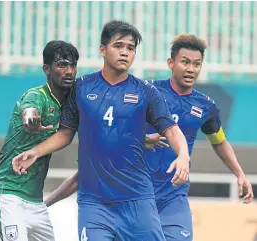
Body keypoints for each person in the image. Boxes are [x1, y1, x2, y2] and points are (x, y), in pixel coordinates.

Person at [12, 20, 190, 241]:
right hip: (94, 204)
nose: (125, 52)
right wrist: (36, 151)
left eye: (131, 48)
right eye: (119, 46)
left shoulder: (146, 92)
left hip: (138, 200)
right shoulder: (81, 88)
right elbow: (65, 134)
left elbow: (172, 131)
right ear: (102, 50)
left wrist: (183, 155)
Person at [144, 34, 254, 241]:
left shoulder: (206, 106)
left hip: (173, 195)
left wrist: (240, 173)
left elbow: (219, 141)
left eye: (196, 64)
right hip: (137, 191)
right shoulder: (147, 91)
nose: (191, 69)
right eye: (185, 62)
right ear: (171, 63)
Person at [0, 40, 79, 241]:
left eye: (73, 65)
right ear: (47, 69)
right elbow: (29, 111)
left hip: (35, 202)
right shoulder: (37, 96)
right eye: (62, 65)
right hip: (7, 192)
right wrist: (31, 119)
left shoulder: (73, 101)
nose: (69, 71)